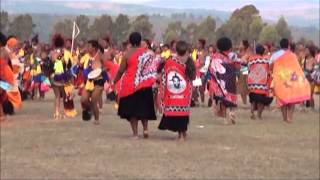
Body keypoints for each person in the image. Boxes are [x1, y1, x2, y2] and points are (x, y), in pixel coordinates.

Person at [113, 32, 157, 139]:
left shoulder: (127, 54)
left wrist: (115, 81)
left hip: (130, 86)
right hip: (144, 85)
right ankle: (145, 129)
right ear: (140, 40)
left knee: (132, 111)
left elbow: (121, 71)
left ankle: (135, 134)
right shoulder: (148, 53)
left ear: (130, 41)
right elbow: (152, 68)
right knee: (143, 109)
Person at [158, 40, 196, 140]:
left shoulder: (170, 61)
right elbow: (192, 78)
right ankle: (183, 133)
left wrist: (161, 95)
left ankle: (181, 135)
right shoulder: (189, 61)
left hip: (172, 93)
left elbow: (164, 77)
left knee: (177, 114)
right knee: (183, 114)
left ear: (177, 50)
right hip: (184, 93)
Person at [270, 39, 311, 123]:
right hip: (291, 80)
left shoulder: (275, 55)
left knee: (282, 98)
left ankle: (285, 118)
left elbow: (270, 65)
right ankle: (290, 117)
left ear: (280, 45)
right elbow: (297, 68)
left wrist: (275, 72)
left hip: (280, 80)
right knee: (291, 98)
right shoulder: (292, 55)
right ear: (288, 45)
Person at [209, 37, 240, 125]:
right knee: (232, 97)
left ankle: (226, 117)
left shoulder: (215, 56)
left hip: (220, 80)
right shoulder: (232, 56)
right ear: (230, 47)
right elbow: (238, 67)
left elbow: (212, 69)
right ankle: (231, 112)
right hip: (231, 80)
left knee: (222, 99)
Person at [81, 40, 108, 124]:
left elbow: (107, 66)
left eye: (89, 46)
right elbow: (80, 65)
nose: (87, 48)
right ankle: (91, 110)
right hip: (89, 81)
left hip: (98, 81)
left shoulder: (100, 56)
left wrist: (99, 71)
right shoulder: (86, 56)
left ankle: (96, 119)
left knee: (93, 100)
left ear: (94, 48)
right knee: (84, 100)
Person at [247, 44, 273, 120]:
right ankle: (259, 115)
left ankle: (252, 112)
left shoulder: (251, 60)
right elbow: (271, 69)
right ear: (263, 51)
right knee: (261, 101)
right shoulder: (267, 60)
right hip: (262, 84)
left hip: (252, 83)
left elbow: (247, 69)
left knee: (253, 100)